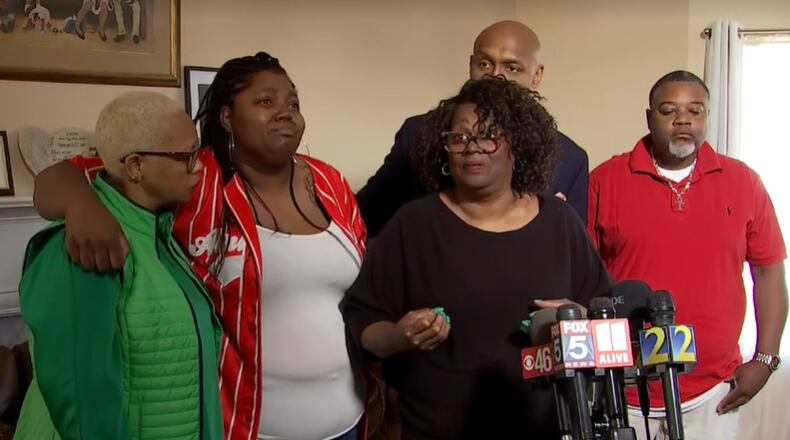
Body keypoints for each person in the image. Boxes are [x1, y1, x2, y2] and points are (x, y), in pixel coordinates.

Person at [32, 53, 369, 440]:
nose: (285, 112)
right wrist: (79, 203)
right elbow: (63, 176)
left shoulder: (330, 183)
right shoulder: (195, 176)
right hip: (247, 427)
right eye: (265, 102)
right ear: (227, 118)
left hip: (345, 419)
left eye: (293, 102)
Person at [342, 77, 611, 439]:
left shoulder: (559, 224)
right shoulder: (414, 224)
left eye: (487, 134)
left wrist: (576, 320)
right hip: (436, 429)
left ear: (518, 144)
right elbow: (364, 324)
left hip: (544, 428)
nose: (472, 147)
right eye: (459, 137)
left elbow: (606, 316)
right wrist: (400, 336)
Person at [588, 70, 788, 440]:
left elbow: (769, 272)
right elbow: (582, 278)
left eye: (695, 111)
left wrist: (765, 359)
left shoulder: (743, 182)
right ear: (649, 117)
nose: (683, 119)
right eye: (669, 110)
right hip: (625, 391)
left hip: (714, 392)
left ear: (706, 118)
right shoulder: (605, 180)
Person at [14, 91, 223, 439]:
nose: (198, 166)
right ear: (136, 165)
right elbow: (81, 401)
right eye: (185, 157)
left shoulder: (158, 234)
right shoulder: (88, 244)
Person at [357, 20, 589, 237]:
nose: (495, 76)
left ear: (536, 75)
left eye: (512, 68)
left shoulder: (571, 159)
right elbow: (364, 218)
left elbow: (572, 259)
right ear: (471, 64)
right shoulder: (417, 133)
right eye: (485, 63)